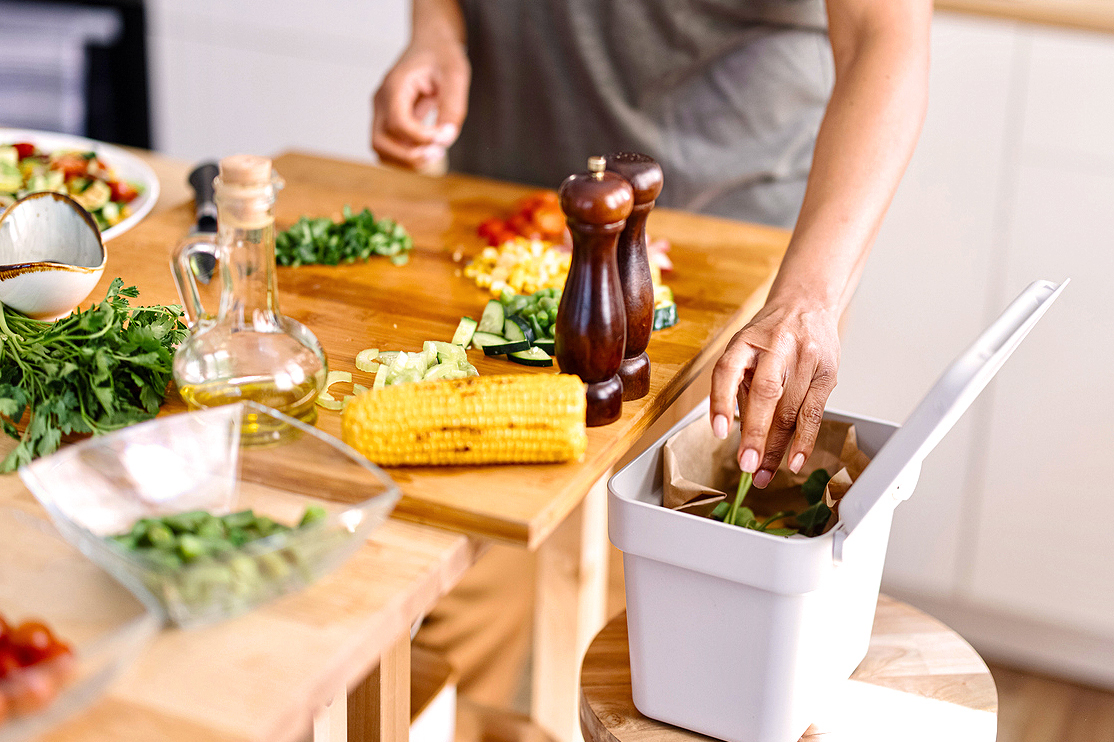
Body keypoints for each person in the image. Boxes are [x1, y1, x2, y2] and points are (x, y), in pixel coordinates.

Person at [372, 0, 931, 706]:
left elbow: (886, 35)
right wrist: (437, 30)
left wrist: (807, 296)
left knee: (664, 650)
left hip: (738, 271)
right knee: (475, 607)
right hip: (508, 226)